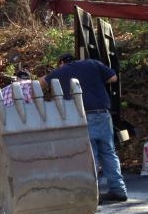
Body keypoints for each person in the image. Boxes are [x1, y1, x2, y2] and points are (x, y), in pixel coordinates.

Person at [40, 52, 128, 204]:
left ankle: (94, 194)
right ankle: (119, 190)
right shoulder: (93, 63)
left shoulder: (61, 71)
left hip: (83, 115)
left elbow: (41, 83)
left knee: (90, 155)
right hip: (103, 114)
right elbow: (113, 78)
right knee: (109, 151)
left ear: (61, 62)